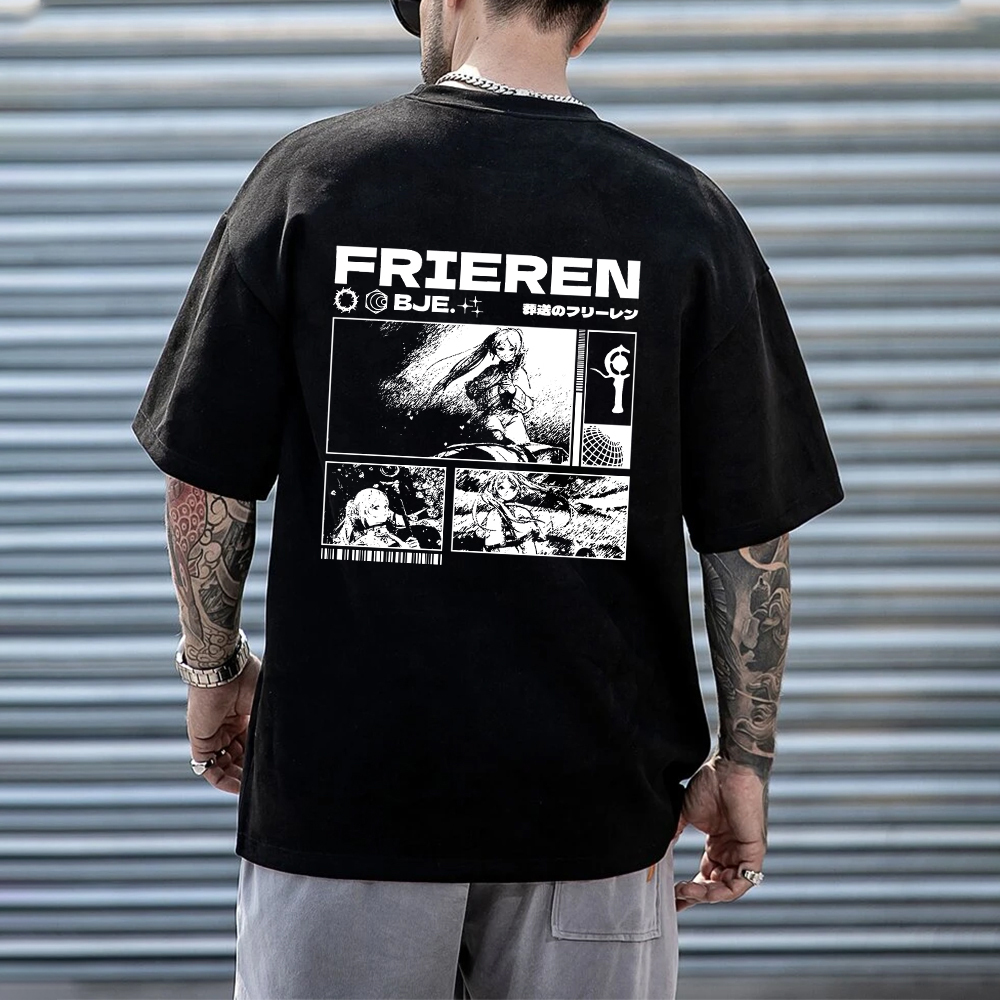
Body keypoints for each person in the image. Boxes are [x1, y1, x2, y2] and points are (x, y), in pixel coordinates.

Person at [131, 0, 844, 997]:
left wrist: (211, 670)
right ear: (590, 20)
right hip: (592, 815)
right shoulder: (684, 214)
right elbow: (748, 537)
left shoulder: (312, 180)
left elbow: (204, 477)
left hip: (346, 804)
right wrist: (744, 759)